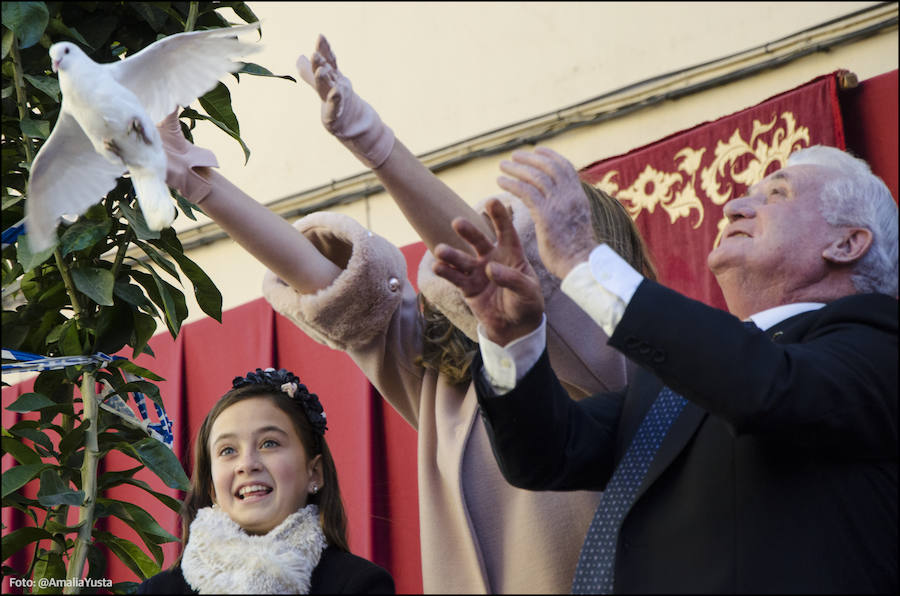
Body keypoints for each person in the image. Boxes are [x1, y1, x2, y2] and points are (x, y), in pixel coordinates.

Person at [156, 35, 656, 593]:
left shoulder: (625, 364)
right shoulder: (444, 384)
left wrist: (374, 142)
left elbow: (507, 281)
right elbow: (333, 285)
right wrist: (198, 184)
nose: (505, 256)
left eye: (531, 244)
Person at [431, 145, 898, 593]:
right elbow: (547, 456)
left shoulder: (878, 343)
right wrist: (512, 336)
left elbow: (765, 386)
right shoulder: (679, 380)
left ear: (847, 243)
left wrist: (584, 262)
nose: (735, 205)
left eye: (776, 194)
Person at [138, 367, 394, 594]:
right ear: (211, 487)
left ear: (314, 472)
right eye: (228, 450)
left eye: (269, 443)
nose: (247, 464)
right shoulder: (158, 590)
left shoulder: (361, 585)